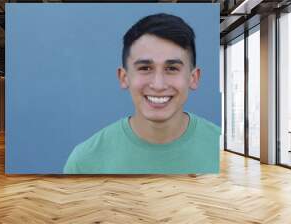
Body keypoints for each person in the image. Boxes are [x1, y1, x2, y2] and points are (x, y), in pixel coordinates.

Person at [63, 13, 220, 174]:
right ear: (124, 77)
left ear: (193, 78)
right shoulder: (84, 162)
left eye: (172, 68)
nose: (158, 85)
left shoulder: (225, 152)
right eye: (145, 68)